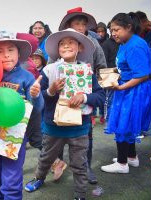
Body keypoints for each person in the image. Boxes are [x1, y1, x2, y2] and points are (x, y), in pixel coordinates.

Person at [24, 28, 105, 200]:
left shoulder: (87, 71)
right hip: (54, 126)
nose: (66, 46)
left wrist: (83, 97)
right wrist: (50, 91)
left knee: (79, 163)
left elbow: (100, 96)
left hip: (80, 126)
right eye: (62, 43)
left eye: (71, 42)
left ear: (80, 47)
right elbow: (40, 99)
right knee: (46, 157)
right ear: (57, 49)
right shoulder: (49, 70)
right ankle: (39, 177)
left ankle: (80, 194)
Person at [0, 30, 44, 200]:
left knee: (11, 182)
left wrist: (36, 95)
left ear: (18, 53)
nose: (6, 55)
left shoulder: (26, 77)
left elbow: (38, 107)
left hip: (15, 138)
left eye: (10, 50)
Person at [57, 7, 107, 184]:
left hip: (86, 98)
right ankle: (56, 165)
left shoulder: (94, 42)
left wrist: (96, 85)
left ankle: (86, 167)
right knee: (57, 136)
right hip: (62, 99)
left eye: (83, 24)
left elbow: (101, 65)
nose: (80, 27)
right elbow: (50, 66)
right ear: (69, 24)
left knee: (86, 135)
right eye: (76, 23)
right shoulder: (62, 40)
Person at [101, 12, 151, 173]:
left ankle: (122, 164)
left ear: (129, 27)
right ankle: (131, 158)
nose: (113, 33)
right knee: (128, 124)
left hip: (133, 90)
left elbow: (143, 74)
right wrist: (110, 73)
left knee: (122, 124)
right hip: (129, 87)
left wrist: (120, 87)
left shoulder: (135, 45)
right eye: (112, 30)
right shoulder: (126, 42)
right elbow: (125, 67)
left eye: (117, 29)